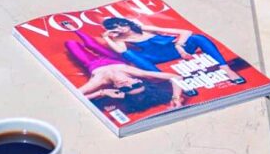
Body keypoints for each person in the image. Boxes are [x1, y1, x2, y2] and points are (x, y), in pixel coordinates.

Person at [63, 27, 191, 113]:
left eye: (125, 89)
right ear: (137, 81)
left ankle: (73, 31)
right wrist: (176, 98)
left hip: (91, 63)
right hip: (112, 58)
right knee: (91, 44)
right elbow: (176, 77)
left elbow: (73, 96)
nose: (127, 84)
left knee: (71, 43)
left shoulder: (99, 81)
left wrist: (101, 93)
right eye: (134, 85)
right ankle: (74, 28)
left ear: (118, 89)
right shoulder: (137, 73)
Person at [101, 17, 246, 84]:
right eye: (115, 27)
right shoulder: (119, 39)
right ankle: (171, 80)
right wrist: (107, 37)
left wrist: (179, 45)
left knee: (198, 38)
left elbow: (185, 32)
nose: (120, 28)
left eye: (121, 24)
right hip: (156, 57)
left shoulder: (143, 28)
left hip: (174, 49)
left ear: (127, 23)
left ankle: (226, 69)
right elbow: (121, 52)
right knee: (128, 53)